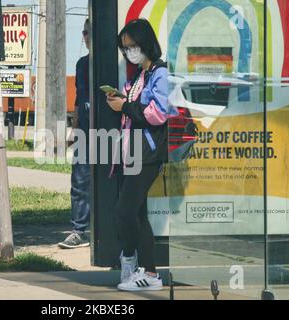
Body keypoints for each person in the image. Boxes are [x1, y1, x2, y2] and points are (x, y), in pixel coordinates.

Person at [106, 19, 179, 291]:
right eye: (125, 49)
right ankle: (147, 272)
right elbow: (133, 106)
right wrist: (118, 100)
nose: (129, 52)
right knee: (137, 214)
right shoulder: (139, 75)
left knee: (125, 210)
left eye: (132, 46)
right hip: (130, 152)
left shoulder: (160, 73)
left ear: (146, 42)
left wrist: (124, 106)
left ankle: (135, 262)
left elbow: (157, 114)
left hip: (148, 152)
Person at [58, 19, 91, 249]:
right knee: (79, 182)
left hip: (115, 135)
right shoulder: (82, 64)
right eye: (84, 32)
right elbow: (79, 100)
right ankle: (78, 231)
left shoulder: (118, 62)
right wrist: (75, 130)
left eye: (88, 32)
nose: (85, 36)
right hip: (87, 134)